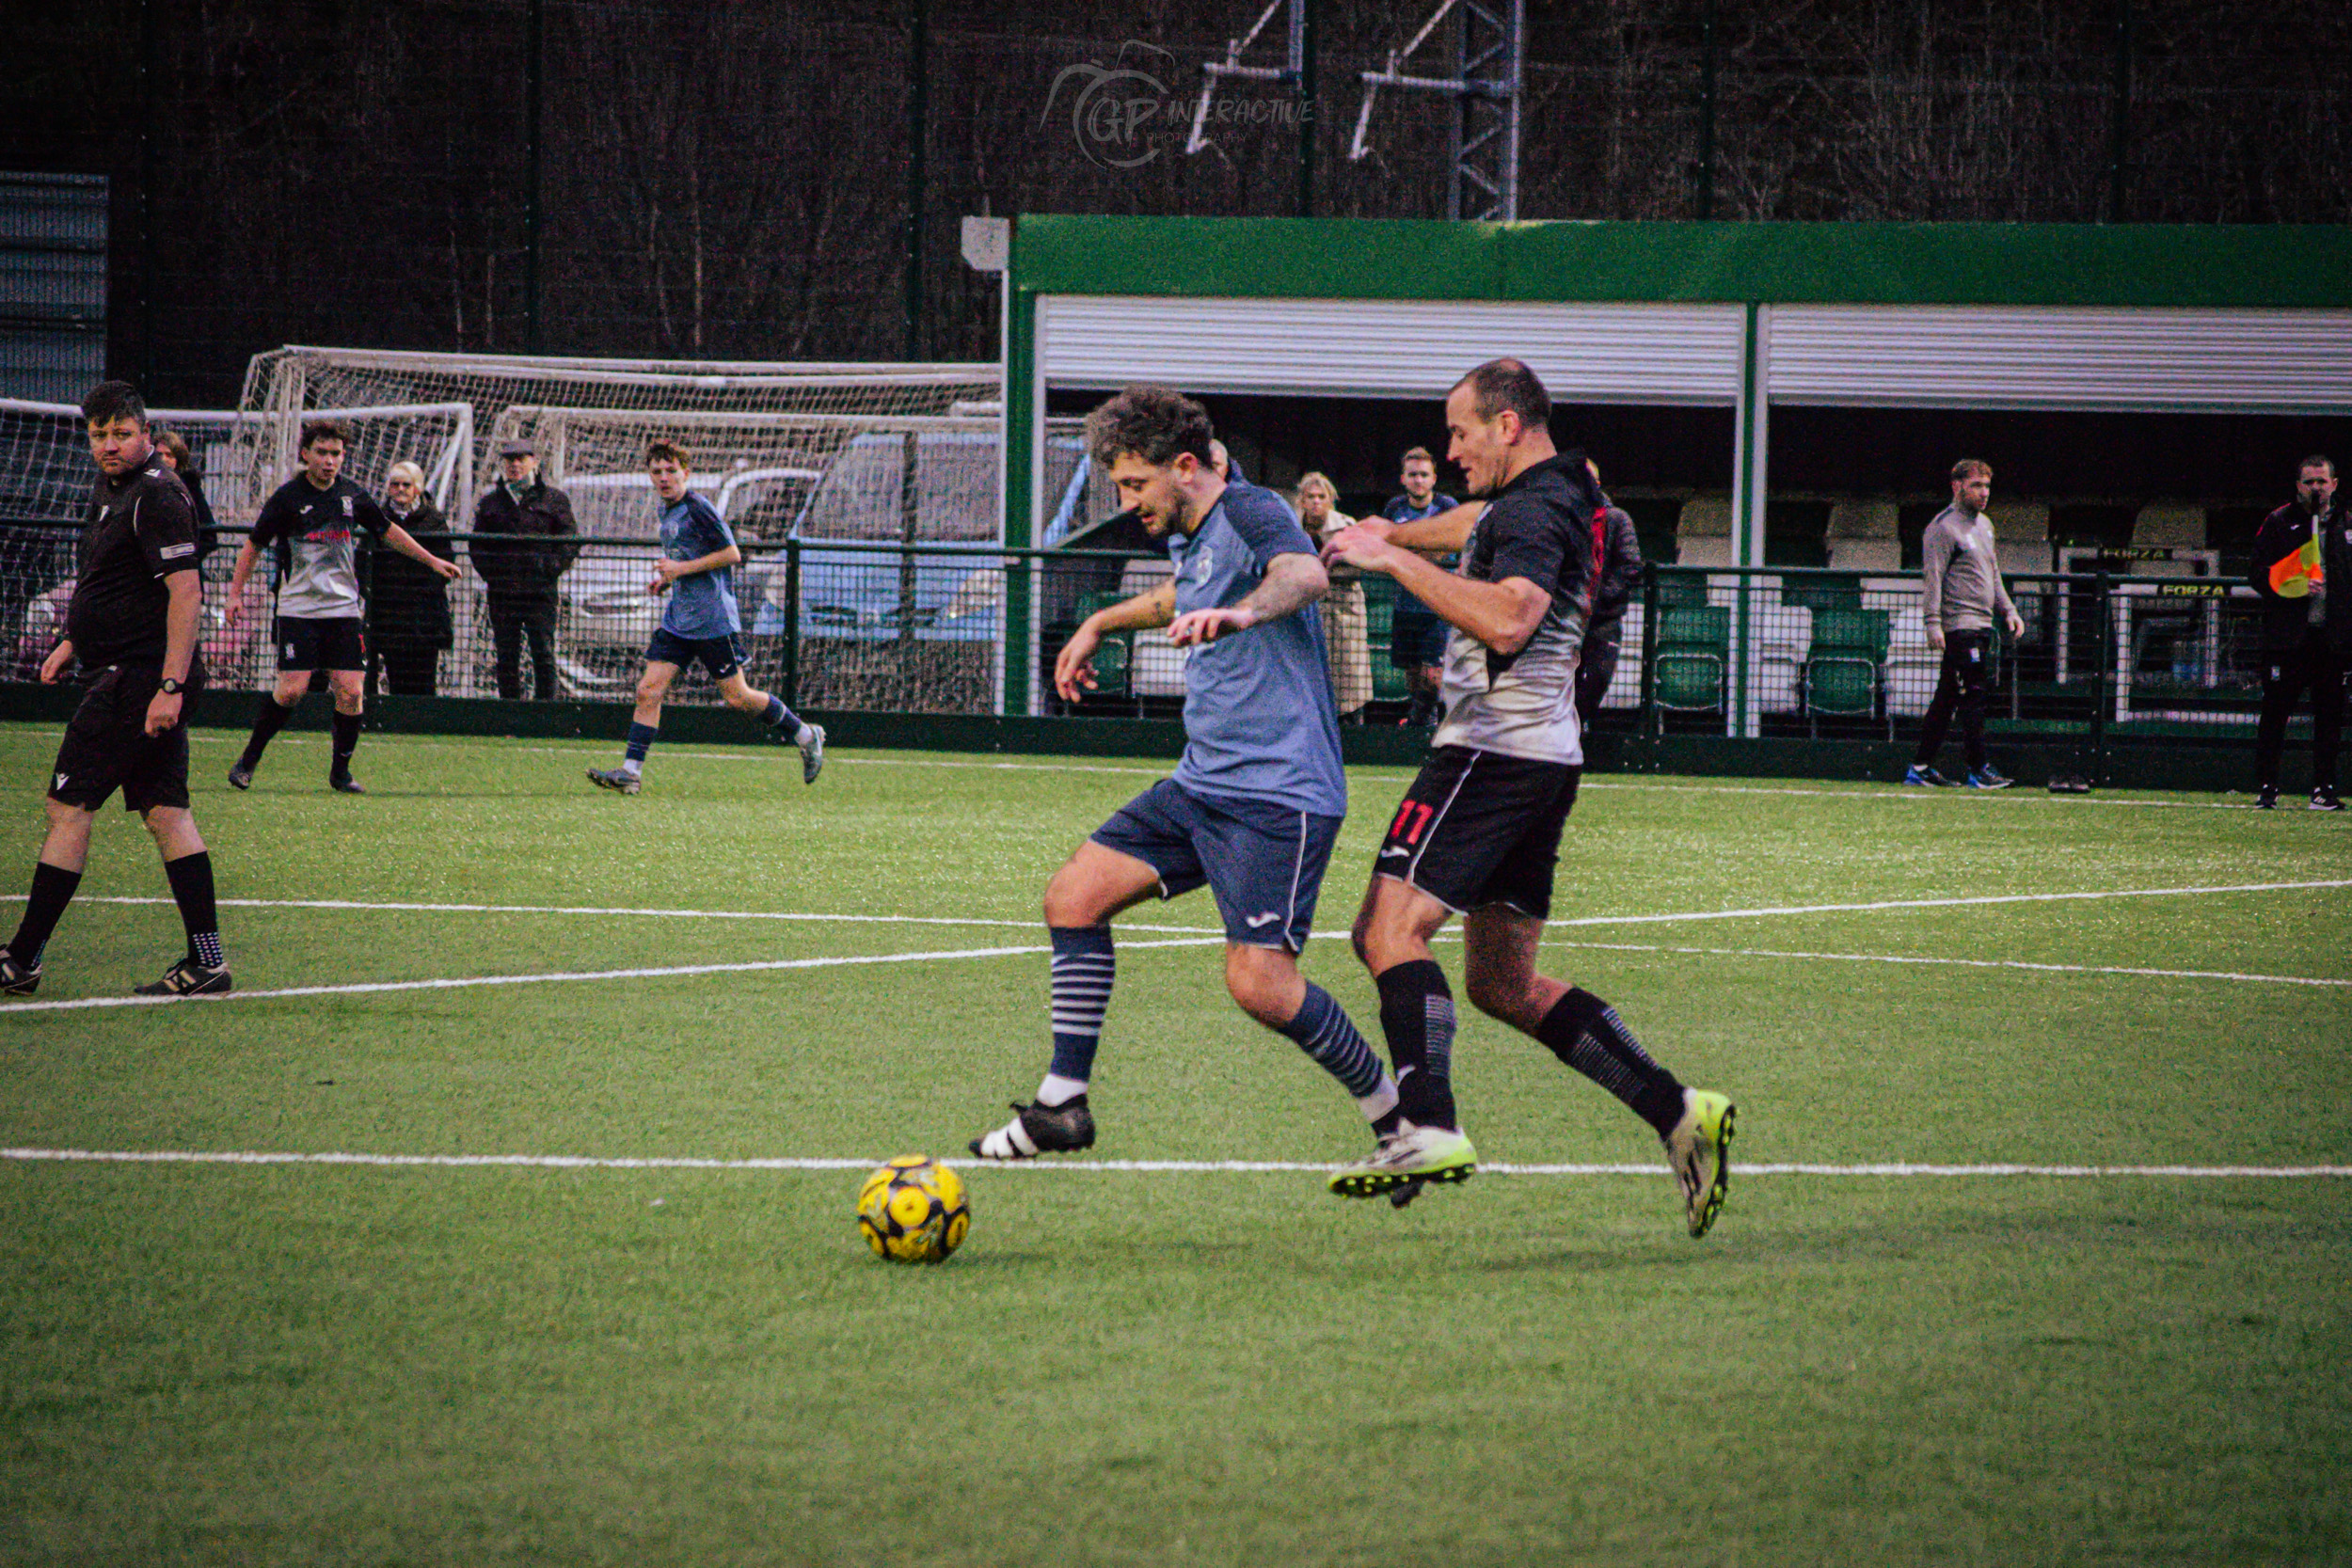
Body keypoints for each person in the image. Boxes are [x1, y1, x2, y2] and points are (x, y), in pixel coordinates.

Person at [1321, 359, 1735, 1236]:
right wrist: (1387, 530)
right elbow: (1474, 523)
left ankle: (1427, 1124)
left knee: (1384, 931)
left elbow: (1509, 616)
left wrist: (1390, 557)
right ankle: (1676, 1110)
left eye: (1462, 432)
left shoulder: (1540, 505)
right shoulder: (1557, 494)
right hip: (1544, 758)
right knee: (1502, 983)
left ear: (1507, 425)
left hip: (1489, 750)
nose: (1452, 449)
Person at [967, 385, 1397, 1163]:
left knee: (1260, 983)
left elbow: (1303, 575)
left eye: (1136, 484)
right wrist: (1100, 621)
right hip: (1203, 783)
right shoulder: (1194, 535)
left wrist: (1241, 615)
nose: (1128, 500)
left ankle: (1395, 1120)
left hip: (1278, 792)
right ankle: (1063, 1104)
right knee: (1074, 896)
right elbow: (1181, 595)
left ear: (1189, 466)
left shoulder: (1251, 509)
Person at [0, 382, 229, 998]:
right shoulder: (112, 489)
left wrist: (170, 686)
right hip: (130, 670)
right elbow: (112, 580)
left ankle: (21, 958)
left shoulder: (158, 493)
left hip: (140, 677)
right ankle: (207, 962)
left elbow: (186, 594)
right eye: (100, 434)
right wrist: (73, 640)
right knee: (166, 812)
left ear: (145, 431)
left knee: (68, 807)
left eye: (121, 433)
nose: (110, 444)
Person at [223, 420, 461, 794]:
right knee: (292, 691)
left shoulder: (353, 496)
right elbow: (253, 545)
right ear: (305, 454)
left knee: (351, 692)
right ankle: (247, 761)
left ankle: (340, 774)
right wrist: (235, 593)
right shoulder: (287, 498)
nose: (329, 460)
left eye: (336, 454)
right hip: (299, 608)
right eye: (322, 452)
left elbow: (388, 532)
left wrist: (431, 560)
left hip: (344, 610)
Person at [586, 441, 825, 794]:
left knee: (738, 698)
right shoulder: (666, 509)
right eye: (657, 471)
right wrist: (667, 579)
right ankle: (630, 773)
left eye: (671, 470)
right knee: (647, 690)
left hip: (712, 620)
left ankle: (805, 734)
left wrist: (679, 568)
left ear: (686, 473)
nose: (664, 477)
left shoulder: (698, 507)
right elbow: (688, 559)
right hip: (679, 620)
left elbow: (732, 554)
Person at [1902, 459, 2026, 789]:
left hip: (1982, 623)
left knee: (1947, 698)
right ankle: (1978, 768)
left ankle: (1921, 767)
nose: (1984, 493)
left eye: (1987, 486)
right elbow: (1934, 577)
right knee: (1973, 693)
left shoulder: (1985, 525)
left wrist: (2009, 609)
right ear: (1957, 486)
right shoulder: (1942, 528)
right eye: (1977, 486)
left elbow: (1993, 572)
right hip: (1961, 624)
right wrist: (1933, 623)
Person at [2250, 455, 2348, 811]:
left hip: (2332, 642)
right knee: (2275, 713)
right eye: (2309, 482)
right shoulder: (2278, 522)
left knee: (2330, 717)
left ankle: (2323, 789)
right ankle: (2267, 788)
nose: (2316, 488)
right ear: (2298, 486)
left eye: (2322, 481)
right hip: (2287, 640)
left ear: (2334, 484)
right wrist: (2292, 585)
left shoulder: (2347, 523)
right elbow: (2257, 574)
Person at [470, 438, 580, 701]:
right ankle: (510, 710)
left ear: (535, 462)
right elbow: (478, 545)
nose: (515, 465)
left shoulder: (554, 499)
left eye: (521, 458)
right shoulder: (490, 503)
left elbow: (569, 540)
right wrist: (494, 575)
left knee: (543, 652)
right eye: (510, 460)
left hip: (540, 592)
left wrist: (550, 568)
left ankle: (545, 711)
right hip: (502, 592)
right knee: (506, 655)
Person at [365, 461, 458, 698]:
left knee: (424, 674)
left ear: (417, 487)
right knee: (395, 673)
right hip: (389, 610)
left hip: (424, 612)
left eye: (406, 484)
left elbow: (445, 560)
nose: (400, 489)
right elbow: (363, 560)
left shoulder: (433, 520)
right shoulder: (377, 519)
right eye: (395, 484)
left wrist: (422, 591)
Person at [1381, 448, 1458, 725]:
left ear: (1434, 479)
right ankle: (1419, 722)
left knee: (1432, 674)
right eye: (1412, 475)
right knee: (1412, 672)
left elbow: (1451, 546)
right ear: (1403, 478)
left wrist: (1415, 553)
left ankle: (1432, 721)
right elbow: (1388, 547)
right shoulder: (1394, 508)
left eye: (1424, 475)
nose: (1418, 480)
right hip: (1405, 604)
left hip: (1437, 606)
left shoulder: (1447, 507)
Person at [1295, 471, 1372, 721]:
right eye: (1310, 497)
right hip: (1306, 606)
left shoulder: (1346, 526)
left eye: (1321, 496)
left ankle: (1354, 728)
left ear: (1330, 500)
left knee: (1349, 673)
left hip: (1344, 607)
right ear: (1302, 500)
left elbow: (1362, 564)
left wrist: (1325, 568)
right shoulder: (1293, 526)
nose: (1316, 501)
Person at [1577, 470, 1645, 733]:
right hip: (1565, 619)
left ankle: (1573, 727)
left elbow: (1631, 567)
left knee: (1598, 678)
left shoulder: (1617, 519)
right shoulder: (1560, 520)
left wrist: (1599, 597)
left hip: (1604, 619)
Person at [150, 429, 219, 564]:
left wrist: (184, 561)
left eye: (169, 455)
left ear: (178, 460)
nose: (163, 459)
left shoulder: (190, 488)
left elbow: (209, 536)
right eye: (159, 455)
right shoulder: (140, 487)